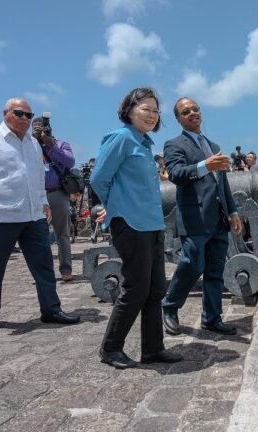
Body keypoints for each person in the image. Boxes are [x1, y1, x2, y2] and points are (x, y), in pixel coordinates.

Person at [0, 97, 80, 331]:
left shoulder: (33, 144)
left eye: (28, 114)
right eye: (19, 113)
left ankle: (51, 309)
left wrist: (43, 200)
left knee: (44, 266)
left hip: (32, 215)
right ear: (5, 113)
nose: (25, 118)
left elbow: (37, 177)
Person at [90, 87, 183, 369]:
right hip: (130, 224)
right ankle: (111, 348)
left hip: (151, 224)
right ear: (129, 110)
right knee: (135, 288)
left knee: (155, 289)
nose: (152, 116)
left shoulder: (144, 144)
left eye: (156, 111)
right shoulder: (120, 138)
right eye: (146, 109)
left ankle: (153, 348)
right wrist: (116, 207)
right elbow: (98, 179)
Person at [162, 97, 243, 336]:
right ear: (178, 119)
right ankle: (169, 306)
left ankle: (211, 317)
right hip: (194, 217)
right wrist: (204, 165)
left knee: (216, 270)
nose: (193, 113)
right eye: (186, 111)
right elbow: (176, 174)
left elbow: (222, 182)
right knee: (191, 264)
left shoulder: (212, 144)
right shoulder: (174, 144)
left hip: (218, 218)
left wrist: (233, 211)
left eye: (195, 109)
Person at [32, 116, 75, 282]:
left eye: (42, 128)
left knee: (62, 234)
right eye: (35, 129)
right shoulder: (28, 146)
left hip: (57, 192)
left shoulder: (61, 144)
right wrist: (35, 142)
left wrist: (49, 145)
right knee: (35, 235)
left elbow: (70, 162)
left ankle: (66, 269)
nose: (39, 131)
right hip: (35, 194)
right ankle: (41, 272)